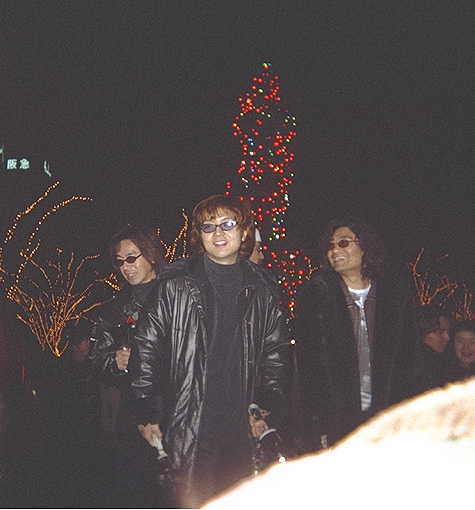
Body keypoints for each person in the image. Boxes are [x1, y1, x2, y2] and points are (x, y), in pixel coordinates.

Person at [129, 194, 290, 507]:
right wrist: (147, 410)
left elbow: (276, 353)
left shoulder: (263, 289)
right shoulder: (174, 285)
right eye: (208, 226)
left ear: (244, 231)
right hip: (187, 419)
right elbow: (146, 348)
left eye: (228, 224)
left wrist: (267, 405)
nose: (218, 233)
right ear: (199, 235)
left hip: (240, 422)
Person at [295, 216, 418, 451]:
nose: (334, 251)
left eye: (343, 243)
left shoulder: (393, 297)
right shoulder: (317, 296)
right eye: (330, 246)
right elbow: (308, 368)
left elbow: (410, 360)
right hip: (337, 422)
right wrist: (316, 424)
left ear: (364, 246)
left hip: (387, 419)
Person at [88, 224, 164, 507]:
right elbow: (96, 359)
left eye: (132, 258)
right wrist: (115, 361)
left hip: (178, 406)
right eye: (120, 261)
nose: (126, 267)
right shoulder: (114, 308)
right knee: (137, 491)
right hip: (134, 413)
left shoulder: (178, 295)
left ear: (150, 254)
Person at [411, 305, 450, 395]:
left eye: (448, 332)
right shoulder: (420, 368)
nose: (447, 337)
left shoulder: (442, 362)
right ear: (423, 331)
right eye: (440, 332)